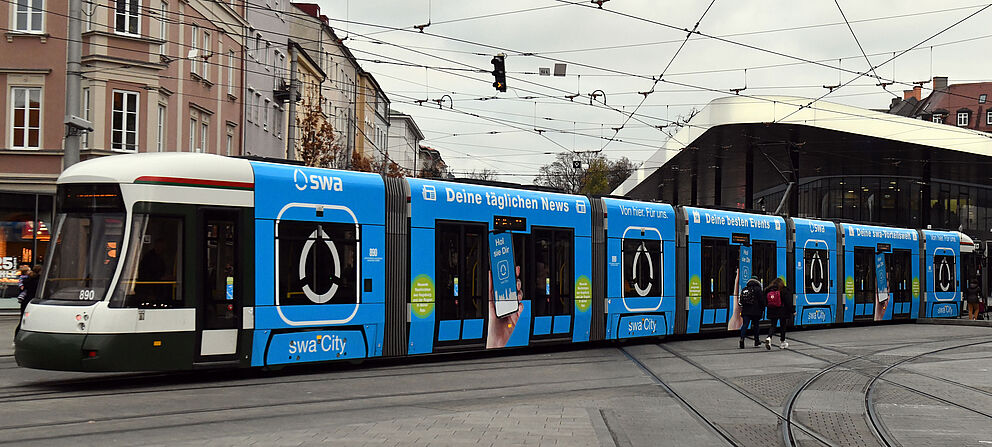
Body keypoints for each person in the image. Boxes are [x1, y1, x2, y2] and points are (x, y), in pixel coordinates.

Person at [763, 277, 794, 349]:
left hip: (772, 310)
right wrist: (793, 310)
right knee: (783, 326)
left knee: (773, 325)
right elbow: (788, 302)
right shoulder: (784, 290)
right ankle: (782, 342)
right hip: (782, 311)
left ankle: (769, 337)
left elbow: (765, 301)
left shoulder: (768, 290)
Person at [738, 277, 765, 349]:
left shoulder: (745, 289)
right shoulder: (758, 289)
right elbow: (762, 301)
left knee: (745, 325)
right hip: (756, 311)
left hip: (745, 311)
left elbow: (741, 301)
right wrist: (762, 309)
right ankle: (756, 340)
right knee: (756, 326)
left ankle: (742, 339)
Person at [15, 265, 41, 335]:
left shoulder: (27, 279)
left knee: (23, 319)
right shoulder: (37, 280)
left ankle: (18, 335)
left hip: (26, 301)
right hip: (32, 300)